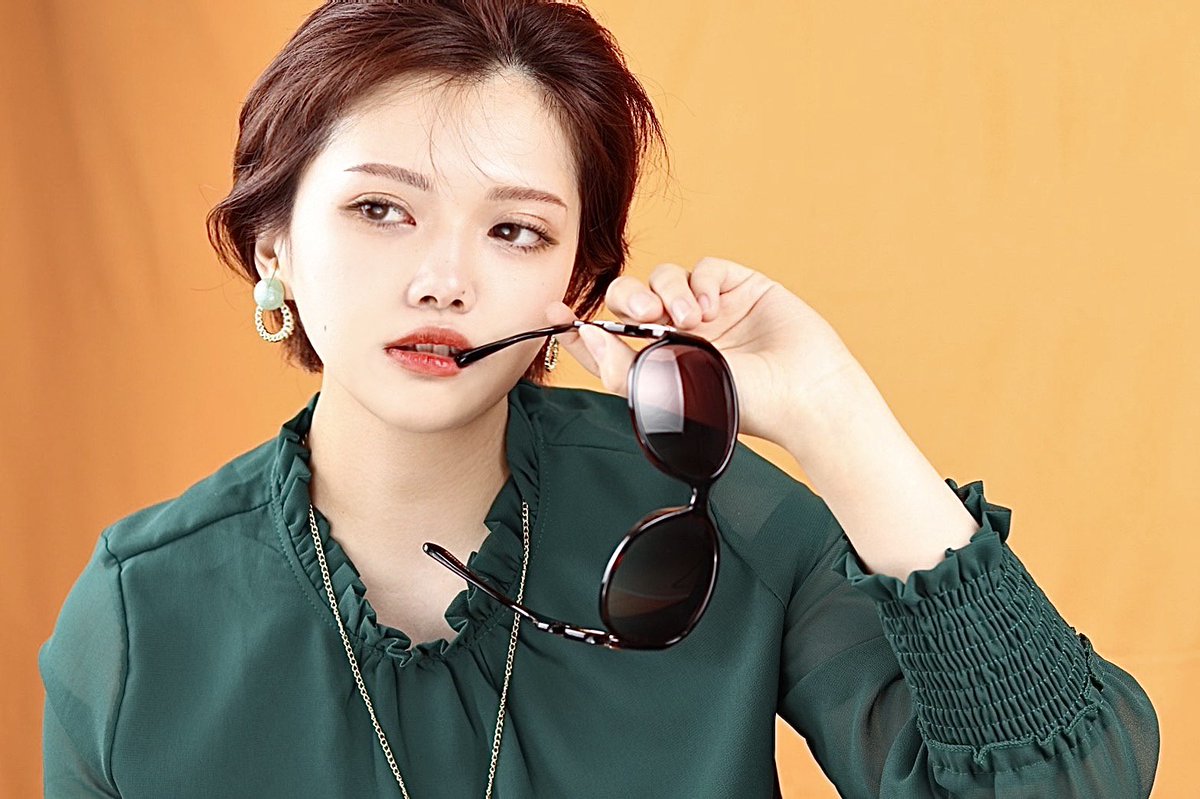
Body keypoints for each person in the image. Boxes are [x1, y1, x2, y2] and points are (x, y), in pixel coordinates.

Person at [39, 1, 1159, 796]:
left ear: (578, 284)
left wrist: (830, 409)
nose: (445, 279)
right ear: (274, 239)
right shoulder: (139, 614)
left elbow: (1066, 781)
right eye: (382, 209)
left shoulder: (721, 522)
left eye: (515, 229)